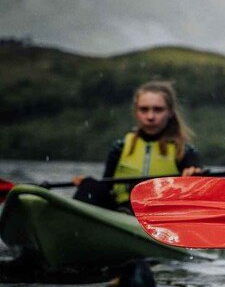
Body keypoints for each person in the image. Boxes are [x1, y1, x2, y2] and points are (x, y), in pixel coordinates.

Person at [73, 80, 202, 213]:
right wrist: (87, 184)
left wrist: (194, 173)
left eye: (158, 110)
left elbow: (194, 175)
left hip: (159, 214)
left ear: (170, 112)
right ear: (136, 111)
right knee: (89, 185)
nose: (150, 117)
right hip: (120, 211)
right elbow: (107, 187)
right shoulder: (120, 147)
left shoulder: (184, 150)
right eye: (144, 110)